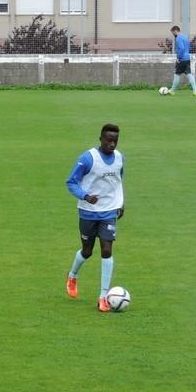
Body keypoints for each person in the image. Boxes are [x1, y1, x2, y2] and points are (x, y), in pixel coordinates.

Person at [65, 123, 124, 313]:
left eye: (115, 140)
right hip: (88, 212)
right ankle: (73, 275)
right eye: (108, 140)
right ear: (101, 139)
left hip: (108, 212)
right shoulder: (88, 158)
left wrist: (121, 202)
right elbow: (71, 182)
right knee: (87, 251)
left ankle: (103, 297)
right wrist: (85, 196)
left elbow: (117, 182)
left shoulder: (119, 158)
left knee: (106, 250)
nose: (112, 144)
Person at [168, 25, 196, 96]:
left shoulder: (178, 38)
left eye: (172, 33)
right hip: (187, 58)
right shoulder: (185, 37)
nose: (172, 34)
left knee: (177, 74)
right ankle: (195, 91)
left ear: (175, 31)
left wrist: (178, 57)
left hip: (181, 59)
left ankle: (172, 90)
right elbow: (189, 47)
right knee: (189, 74)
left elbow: (181, 48)